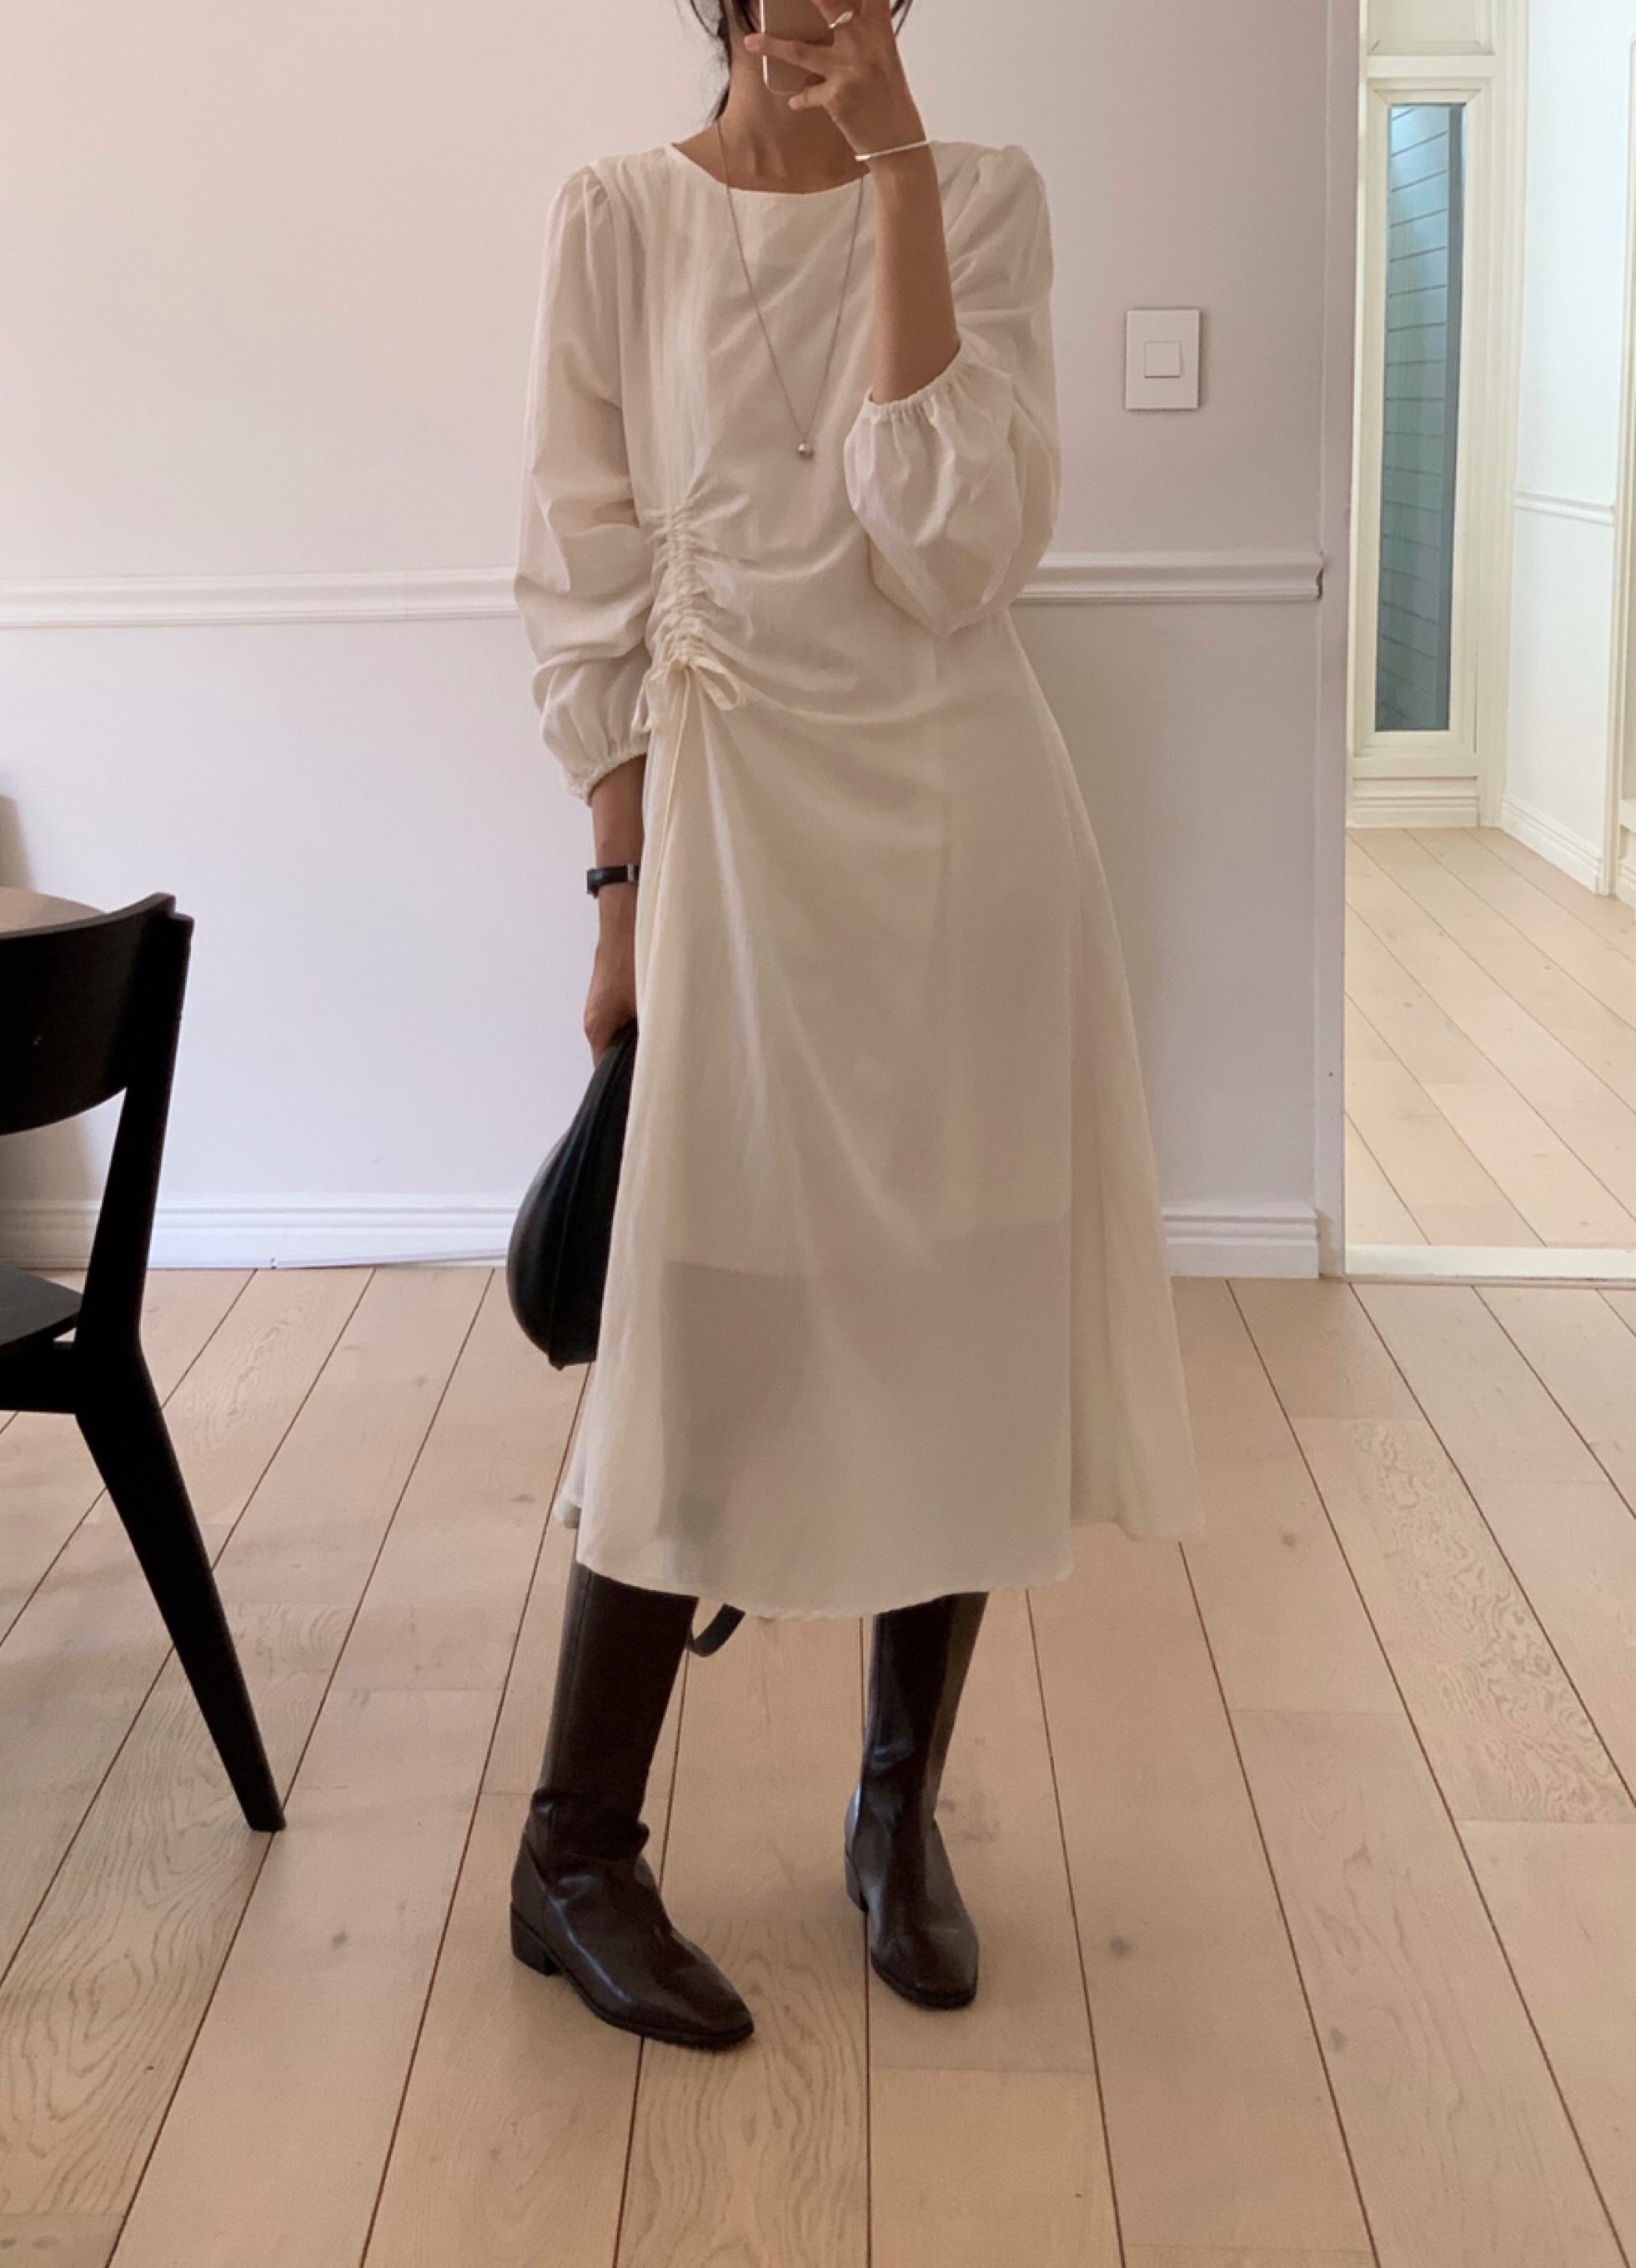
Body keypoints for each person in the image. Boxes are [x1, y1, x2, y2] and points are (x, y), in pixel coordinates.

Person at [509, 0, 1203, 2052]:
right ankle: (574, 1849)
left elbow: (953, 543)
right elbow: (579, 576)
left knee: (961, 1302)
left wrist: (897, 169)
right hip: (734, 825)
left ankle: (896, 1812)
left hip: (961, 829)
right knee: (693, 1315)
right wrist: (618, 897)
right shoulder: (618, 218)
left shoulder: (981, 199)